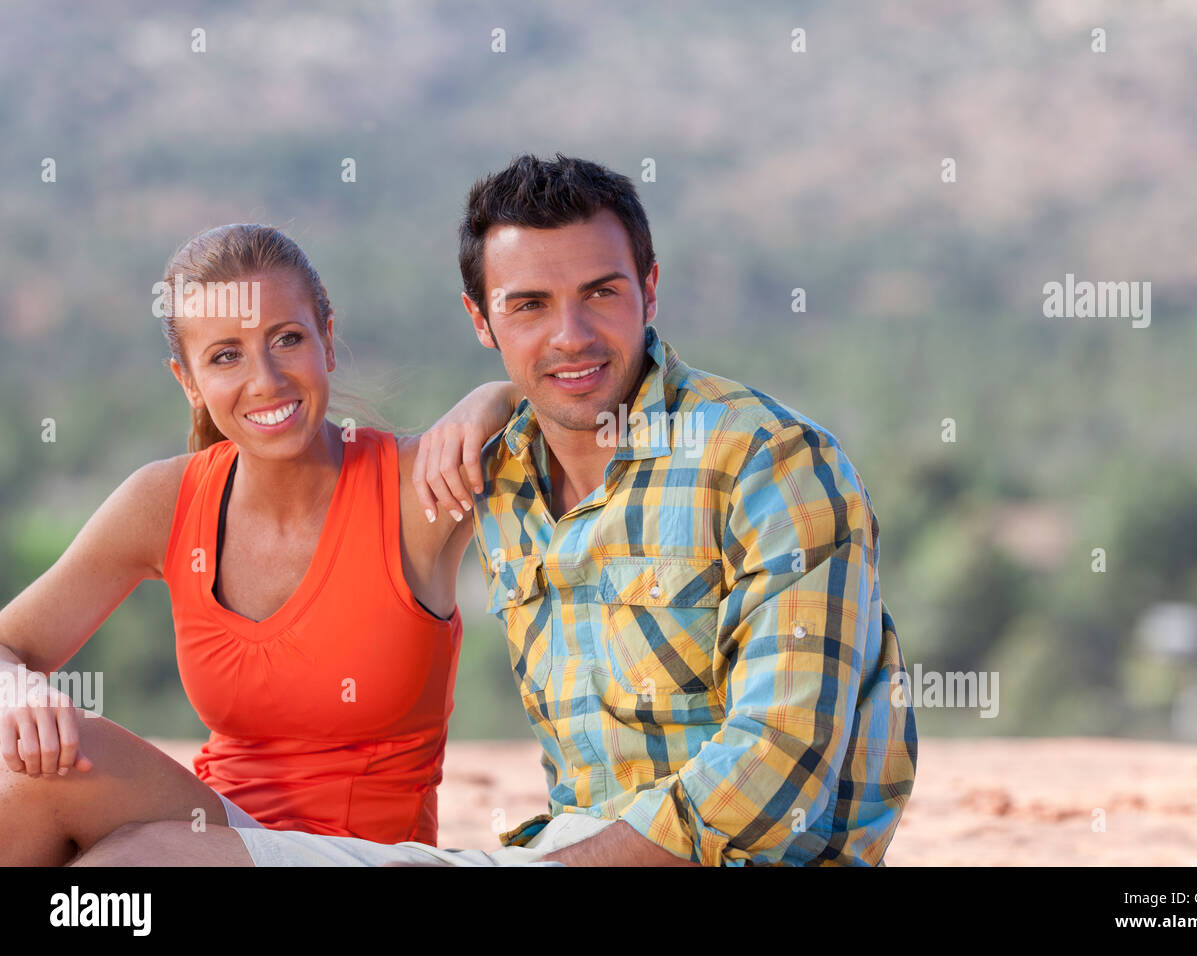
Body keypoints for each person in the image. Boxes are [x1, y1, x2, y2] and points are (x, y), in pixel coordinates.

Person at [77, 154, 918, 867]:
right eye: (529, 306)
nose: (571, 337)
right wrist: (486, 407)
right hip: (564, 846)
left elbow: (780, 758)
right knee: (108, 873)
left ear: (650, 290)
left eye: (601, 293)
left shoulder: (768, 460)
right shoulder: (499, 468)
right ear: (482, 320)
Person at [0, 224, 519, 865]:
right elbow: (8, 646)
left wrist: (495, 396)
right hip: (217, 832)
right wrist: (20, 694)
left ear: (326, 339)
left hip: (362, 857)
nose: (266, 379)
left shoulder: (417, 488)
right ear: (187, 380)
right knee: (31, 769)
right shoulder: (166, 503)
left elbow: (576, 405)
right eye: (225, 356)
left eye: (287, 339)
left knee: (125, 863)